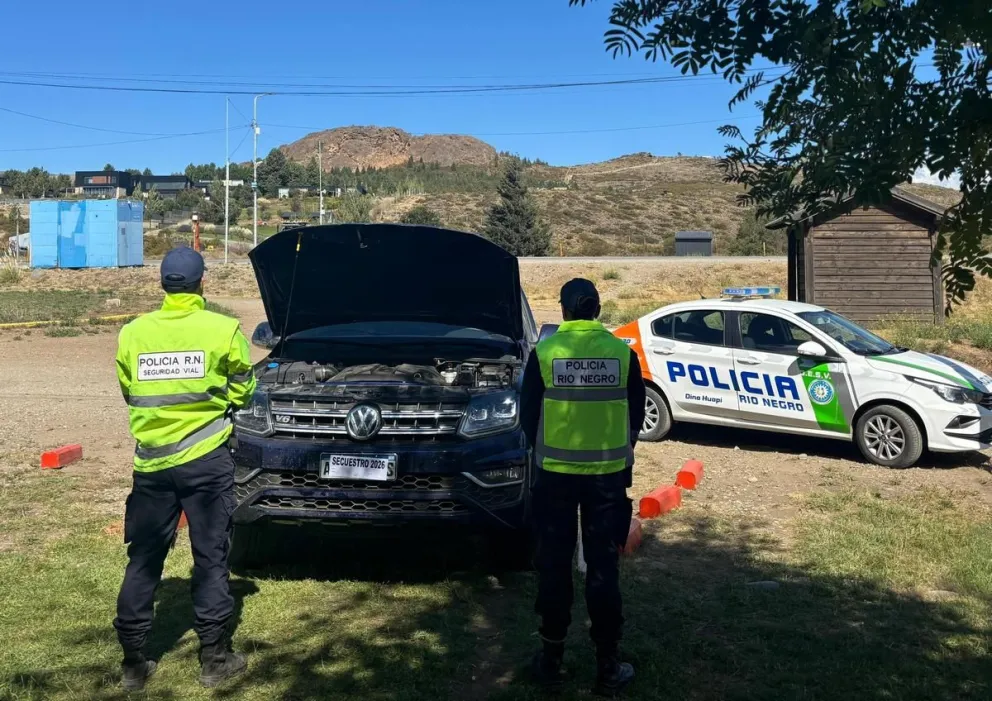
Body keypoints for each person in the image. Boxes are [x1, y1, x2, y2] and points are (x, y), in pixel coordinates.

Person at [112, 246, 256, 691]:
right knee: (210, 558)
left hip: (152, 463)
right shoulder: (223, 329)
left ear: (162, 284)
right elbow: (244, 390)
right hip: (206, 460)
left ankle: (134, 663)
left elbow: (130, 391)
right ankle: (214, 660)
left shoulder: (133, 333)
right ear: (201, 283)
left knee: (144, 558)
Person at [520, 277, 646, 697]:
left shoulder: (544, 352)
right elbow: (636, 414)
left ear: (564, 310)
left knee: (554, 566)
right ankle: (608, 665)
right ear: (596, 308)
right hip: (608, 479)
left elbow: (527, 416)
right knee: (603, 568)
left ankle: (551, 659)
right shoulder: (621, 353)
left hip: (554, 477)